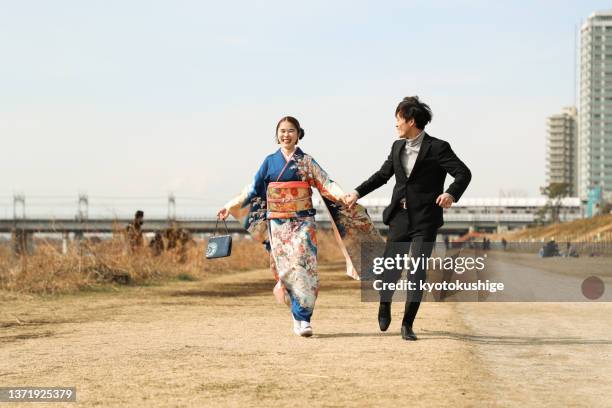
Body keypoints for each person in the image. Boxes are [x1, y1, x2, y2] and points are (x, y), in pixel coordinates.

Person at [217, 116, 382, 337]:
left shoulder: (306, 162)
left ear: (298, 134)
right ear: (277, 135)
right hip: (278, 225)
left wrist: (343, 196)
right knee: (286, 269)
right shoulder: (269, 161)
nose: (286, 135)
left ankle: (304, 318)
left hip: (303, 222)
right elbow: (253, 188)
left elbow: (326, 182)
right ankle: (297, 314)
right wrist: (230, 205)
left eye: (291, 131)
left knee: (305, 267)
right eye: (282, 131)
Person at [344, 96, 472, 341]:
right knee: (392, 267)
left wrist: (450, 194)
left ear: (411, 121)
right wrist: (357, 192)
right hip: (400, 217)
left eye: (398, 121)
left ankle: (407, 324)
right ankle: (385, 303)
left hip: (425, 219)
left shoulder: (438, 147)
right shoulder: (396, 147)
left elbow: (463, 173)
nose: (396, 126)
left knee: (417, 269)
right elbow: (382, 175)